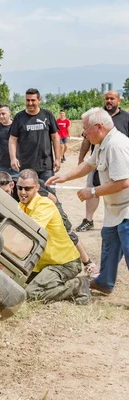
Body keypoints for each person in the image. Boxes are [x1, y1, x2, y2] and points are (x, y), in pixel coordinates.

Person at [47, 107, 129, 295]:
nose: (84, 133)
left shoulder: (116, 145)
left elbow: (124, 182)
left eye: (86, 129)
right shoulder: (102, 143)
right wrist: (64, 177)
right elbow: (89, 164)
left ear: (98, 127)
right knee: (109, 242)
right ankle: (104, 282)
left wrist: (92, 191)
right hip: (115, 207)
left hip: (127, 207)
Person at [0, 171, 98, 277]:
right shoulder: (11, 194)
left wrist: (53, 213)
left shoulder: (26, 188)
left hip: (48, 204)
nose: (3, 194)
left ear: (12, 185)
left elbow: (52, 199)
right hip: (30, 209)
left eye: (6, 191)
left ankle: (88, 263)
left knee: (68, 232)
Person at [12, 169, 90, 304]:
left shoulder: (44, 205)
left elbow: (28, 232)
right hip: (43, 265)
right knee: (16, 287)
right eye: (20, 188)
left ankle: (77, 286)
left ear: (37, 188)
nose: (23, 192)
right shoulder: (22, 206)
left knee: (31, 293)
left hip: (64, 263)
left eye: (28, 188)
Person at [75, 90, 129, 232]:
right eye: (106, 99)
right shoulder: (97, 115)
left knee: (99, 190)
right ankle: (88, 219)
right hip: (99, 160)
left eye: (112, 98)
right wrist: (81, 158)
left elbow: (122, 183)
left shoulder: (126, 118)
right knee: (93, 187)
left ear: (119, 101)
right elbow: (86, 140)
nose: (109, 101)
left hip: (119, 161)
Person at [9, 88, 61, 181]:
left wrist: (57, 158)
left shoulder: (47, 115)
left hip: (46, 166)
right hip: (25, 166)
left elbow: (55, 137)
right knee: (27, 194)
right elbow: (12, 139)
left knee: (48, 193)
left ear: (39, 100)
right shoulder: (19, 117)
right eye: (27, 100)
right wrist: (13, 158)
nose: (30, 103)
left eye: (33, 100)